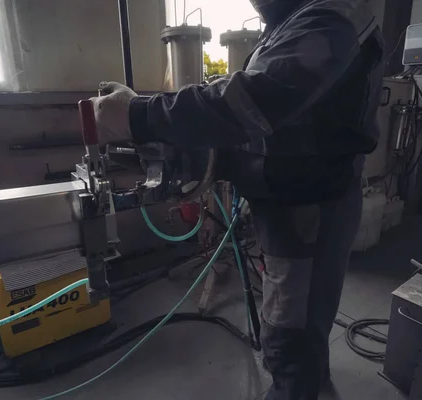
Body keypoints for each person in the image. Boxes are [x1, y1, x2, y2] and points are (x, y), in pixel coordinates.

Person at [91, 0, 384, 398]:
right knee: (302, 319)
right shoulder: (289, 23)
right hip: (290, 205)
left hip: (308, 211)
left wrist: (138, 115)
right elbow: (265, 120)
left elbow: (253, 100)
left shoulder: (329, 18)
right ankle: (308, 383)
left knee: (288, 332)